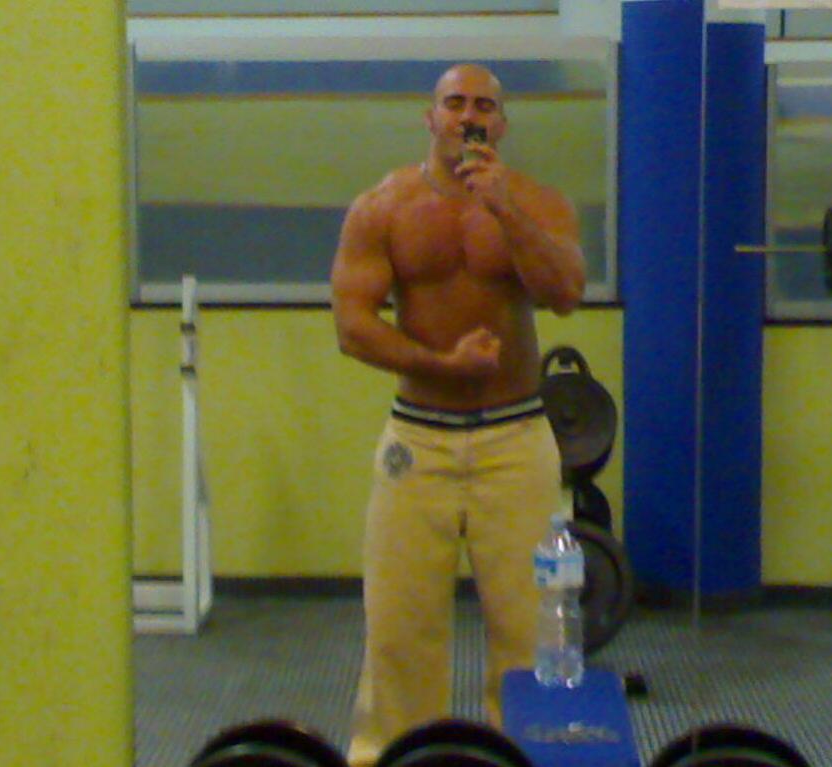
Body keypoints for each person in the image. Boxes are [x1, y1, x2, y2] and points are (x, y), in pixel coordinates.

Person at [330, 63, 586, 766]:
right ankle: (394, 757)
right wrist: (441, 364)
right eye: (453, 103)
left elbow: (565, 292)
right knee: (398, 630)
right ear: (431, 117)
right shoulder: (383, 206)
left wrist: (504, 210)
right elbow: (352, 326)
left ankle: (527, 757)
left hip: (516, 439)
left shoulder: (538, 203)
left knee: (531, 629)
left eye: (482, 106)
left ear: (500, 124)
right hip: (418, 441)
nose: (467, 116)